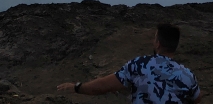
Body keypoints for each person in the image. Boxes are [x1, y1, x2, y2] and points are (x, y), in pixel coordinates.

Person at [58, 23, 200, 102]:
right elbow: (197, 99)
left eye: (155, 38)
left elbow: (104, 86)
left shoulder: (139, 64)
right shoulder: (188, 75)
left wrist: (77, 87)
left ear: (158, 43)